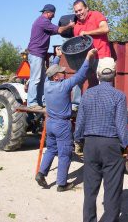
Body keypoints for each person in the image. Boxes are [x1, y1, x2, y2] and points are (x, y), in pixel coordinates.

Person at [74, 58, 128, 222]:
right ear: (114, 74)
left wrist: (80, 142)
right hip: (112, 147)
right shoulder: (119, 96)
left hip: (91, 145)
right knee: (112, 190)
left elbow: (79, 123)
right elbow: (122, 128)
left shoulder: (87, 94)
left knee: (90, 190)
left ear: (98, 74)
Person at [35, 47, 97, 192]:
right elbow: (81, 75)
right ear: (56, 76)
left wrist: (57, 57)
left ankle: (41, 173)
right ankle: (62, 184)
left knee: (50, 149)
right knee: (65, 153)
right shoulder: (64, 86)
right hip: (62, 124)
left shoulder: (47, 84)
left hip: (50, 122)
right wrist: (88, 57)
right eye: (62, 72)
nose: (65, 73)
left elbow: (50, 71)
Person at [26, 4, 75, 111]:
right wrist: (70, 26)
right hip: (36, 53)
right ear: (49, 12)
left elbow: (54, 31)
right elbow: (60, 30)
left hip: (38, 54)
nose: (54, 16)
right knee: (36, 78)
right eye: (53, 13)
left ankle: (41, 101)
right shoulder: (43, 21)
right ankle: (31, 102)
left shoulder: (42, 22)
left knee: (42, 79)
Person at [71, 0, 114, 106]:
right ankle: (76, 105)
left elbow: (105, 28)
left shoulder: (96, 15)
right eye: (76, 11)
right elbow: (79, 45)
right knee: (77, 78)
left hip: (102, 55)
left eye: (80, 10)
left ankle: (106, 106)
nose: (78, 13)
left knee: (105, 82)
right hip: (87, 58)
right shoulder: (76, 27)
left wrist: (87, 33)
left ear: (86, 8)